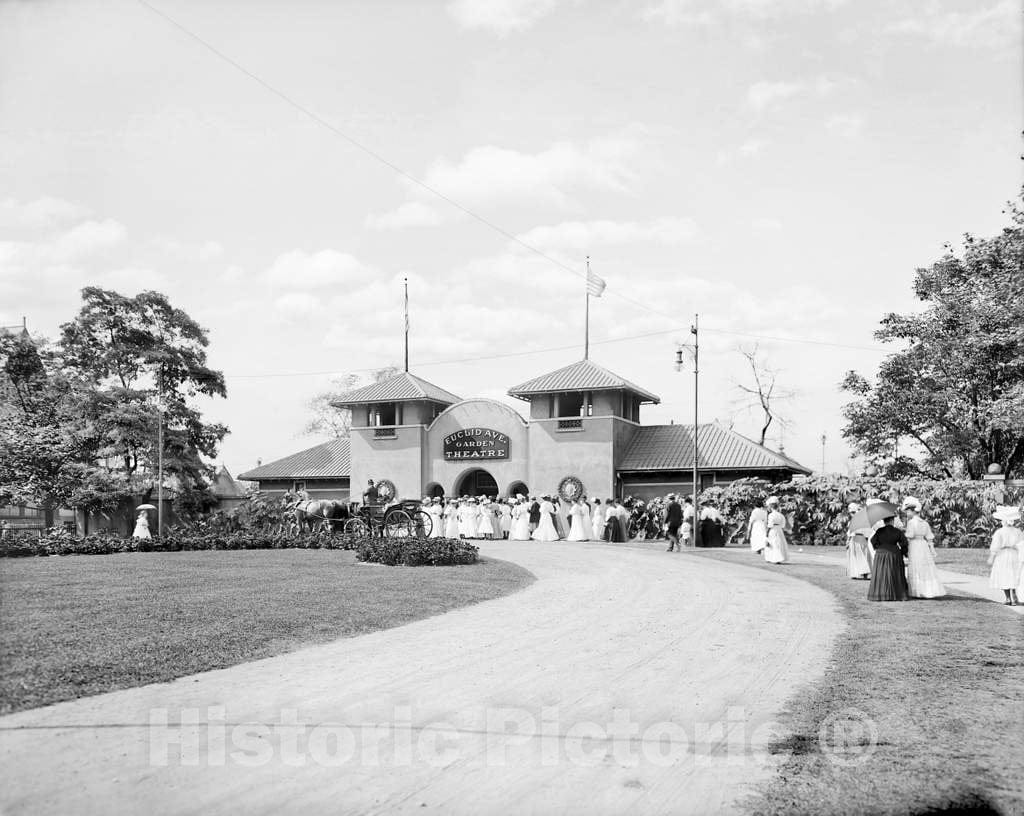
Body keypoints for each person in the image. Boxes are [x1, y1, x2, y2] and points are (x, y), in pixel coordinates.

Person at [903, 497, 945, 599]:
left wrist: (904, 533)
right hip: (923, 545)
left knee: (916, 565)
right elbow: (929, 538)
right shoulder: (924, 523)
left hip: (914, 545)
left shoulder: (912, 522)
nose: (907, 513)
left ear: (913, 511)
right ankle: (926, 590)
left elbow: (910, 535)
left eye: (908, 511)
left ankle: (918, 590)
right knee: (924, 566)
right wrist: (932, 550)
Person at [868, 515, 909, 601]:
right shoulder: (897, 531)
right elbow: (904, 543)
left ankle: (881, 594)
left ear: (884, 521)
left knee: (881, 574)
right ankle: (897, 594)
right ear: (892, 521)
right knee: (894, 573)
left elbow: (873, 541)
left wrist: (878, 547)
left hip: (881, 554)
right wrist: (903, 552)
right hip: (894, 553)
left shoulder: (879, 531)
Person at [988, 505, 1023, 606]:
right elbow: (1021, 544)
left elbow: (995, 545)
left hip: (1003, 555)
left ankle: (1008, 598)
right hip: (1014, 554)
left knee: (1004, 575)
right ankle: (1014, 595)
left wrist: (992, 556)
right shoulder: (1018, 532)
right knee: (1014, 574)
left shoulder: (1000, 532)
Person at [846, 502, 873, 580]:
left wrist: (848, 541)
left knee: (860, 556)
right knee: (862, 556)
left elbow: (851, 533)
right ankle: (863, 574)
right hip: (860, 539)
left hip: (857, 538)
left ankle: (862, 574)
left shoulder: (856, 520)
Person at [763, 497, 788, 564]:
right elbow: (783, 525)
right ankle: (777, 558)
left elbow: (769, 525)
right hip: (779, 530)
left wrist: (766, 534)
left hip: (773, 530)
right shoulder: (781, 515)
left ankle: (772, 558)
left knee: (772, 543)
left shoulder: (771, 515)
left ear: (771, 507)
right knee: (778, 543)